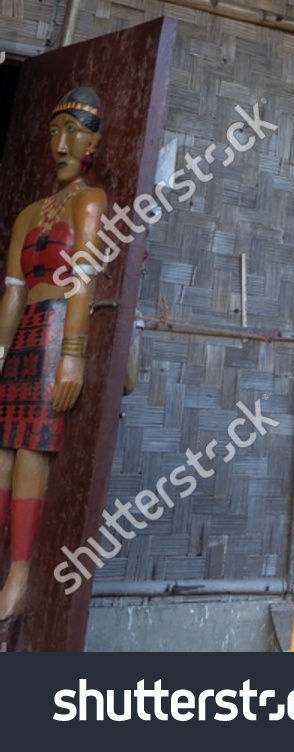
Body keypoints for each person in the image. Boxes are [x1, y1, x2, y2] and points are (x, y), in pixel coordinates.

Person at [0, 86, 106, 621]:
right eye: (53, 134)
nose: (60, 145)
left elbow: (83, 278)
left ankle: (19, 571)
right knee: (0, 450)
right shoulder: (29, 213)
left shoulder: (92, 201)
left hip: (56, 330)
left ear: (92, 141)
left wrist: (73, 353)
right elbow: (14, 291)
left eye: (72, 133)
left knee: (30, 452)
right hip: (22, 340)